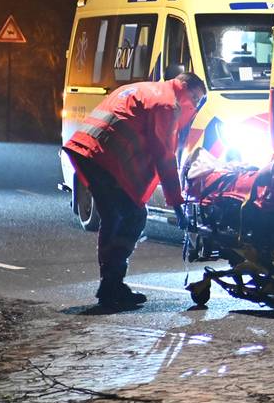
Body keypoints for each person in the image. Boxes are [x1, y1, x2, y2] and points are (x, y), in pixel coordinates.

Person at [63, 73, 206, 308]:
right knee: (132, 217)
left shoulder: (146, 89)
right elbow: (164, 155)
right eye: (196, 99)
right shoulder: (167, 104)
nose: (195, 106)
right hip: (104, 157)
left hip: (90, 150)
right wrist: (177, 202)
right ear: (186, 89)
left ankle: (110, 285)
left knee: (113, 217)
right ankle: (111, 286)